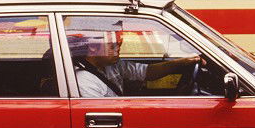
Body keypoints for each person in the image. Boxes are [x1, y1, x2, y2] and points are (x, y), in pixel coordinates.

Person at [72, 29, 201, 97]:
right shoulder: (84, 81)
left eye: (118, 45)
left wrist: (182, 62)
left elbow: (147, 72)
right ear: (93, 48)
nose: (118, 49)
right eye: (112, 46)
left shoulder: (111, 65)